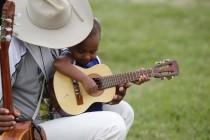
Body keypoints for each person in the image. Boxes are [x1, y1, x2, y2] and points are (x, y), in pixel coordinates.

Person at [0, 0, 149, 140]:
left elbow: (78, 78)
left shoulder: (67, 40)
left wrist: (107, 93)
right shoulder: (11, 48)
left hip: (59, 114)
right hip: (28, 130)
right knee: (113, 124)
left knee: (123, 112)